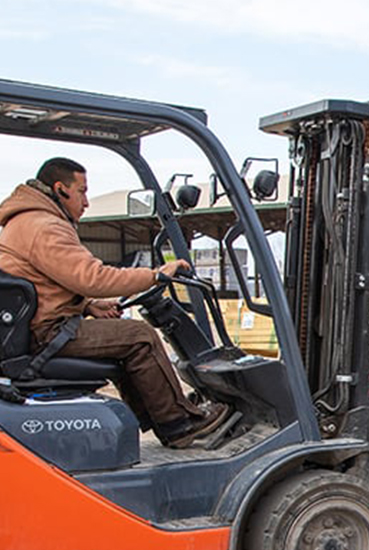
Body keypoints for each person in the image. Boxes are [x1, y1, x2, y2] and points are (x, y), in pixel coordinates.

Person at [0, 157, 230, 448]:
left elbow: (45, 282)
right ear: (60, 189)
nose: (86, 201)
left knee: (123, 336)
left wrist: (87, 305)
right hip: (47, 334)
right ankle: (179, 422)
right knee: (140, 337)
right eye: (82, 191)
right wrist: (156, 275)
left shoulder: (28, 222)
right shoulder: (44, 226)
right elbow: (92, 277)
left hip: (39, 327)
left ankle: (161, 421)